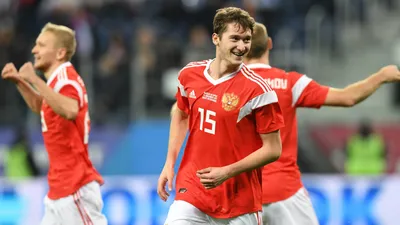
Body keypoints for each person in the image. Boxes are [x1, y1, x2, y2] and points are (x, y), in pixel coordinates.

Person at [243, 22, 400, 225]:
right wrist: (381, 77)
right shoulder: (290, 83)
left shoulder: (227, 89)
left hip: (243, 195)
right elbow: (347, 98)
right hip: (286, 191)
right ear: (270, 44)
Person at [157, 7, 285, 225]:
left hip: (239, 202)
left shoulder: (259, 90)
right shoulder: (190, 75)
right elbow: (180, 113)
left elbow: (273, 149)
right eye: (234, 38)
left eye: (246, 40)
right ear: (216, 38)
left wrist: (227, 172)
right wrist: (169, 163)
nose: (241, 46)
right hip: (193, 192)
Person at [1, 22, 107, 225]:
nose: (34, 50)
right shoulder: (56, 83)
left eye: (41, 45)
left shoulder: (67, 80)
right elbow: (43, 107)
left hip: (75, 189)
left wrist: (34, 79)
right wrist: (20, 82)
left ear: (60, 53)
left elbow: (69, 109)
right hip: (59, 190)